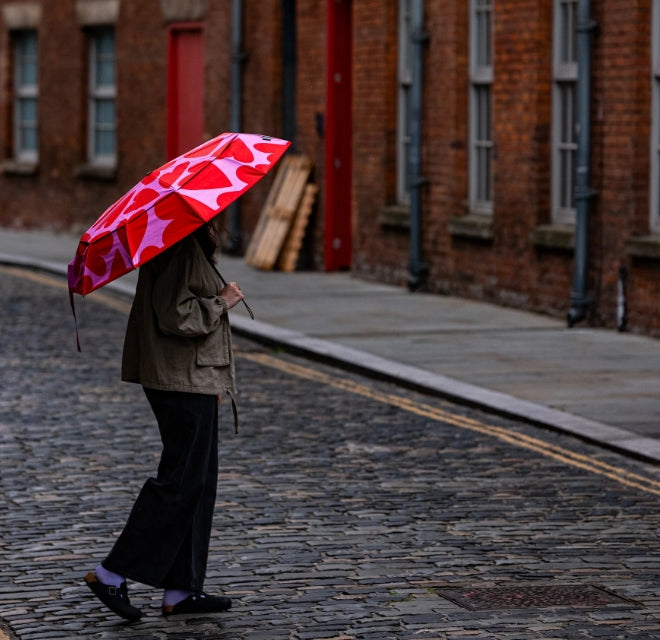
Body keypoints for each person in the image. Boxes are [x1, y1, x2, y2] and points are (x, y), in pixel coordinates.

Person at [84, 217, 244, 621]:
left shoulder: (184, 243)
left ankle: (181, 589)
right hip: (180, 381)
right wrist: (223, 300)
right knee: (179, 482)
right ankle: (111, 572)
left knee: (198, 482)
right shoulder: (178, 246)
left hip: (192, 378)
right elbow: (176, 315)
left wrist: (214, 380)